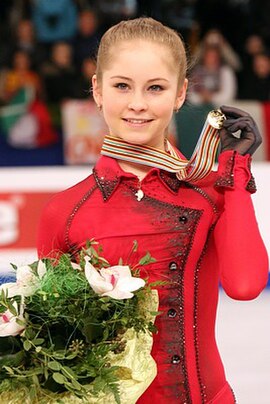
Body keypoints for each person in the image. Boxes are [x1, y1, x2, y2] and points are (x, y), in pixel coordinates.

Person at [37, 17, 269, 404]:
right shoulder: (63, 211)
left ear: (180, 94)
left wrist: (234, 173)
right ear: (97, 90)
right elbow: (53, 347)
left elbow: (245, 286)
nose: (138, 104)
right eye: (122, 86)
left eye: (155, 88)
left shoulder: (209, 191)